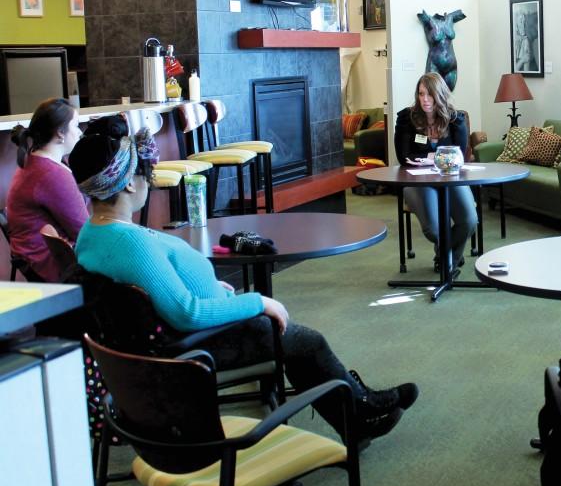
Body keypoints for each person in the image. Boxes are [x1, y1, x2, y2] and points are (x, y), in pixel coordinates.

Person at [68, 115, 417, 442]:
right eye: (145, 173)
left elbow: (158, 291)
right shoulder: (131, 243)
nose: (150, 180)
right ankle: (359, 413)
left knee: (295, 341)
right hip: (195, 344)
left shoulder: (92, 233)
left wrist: (213, 290)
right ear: (128, 183)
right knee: (304, 341)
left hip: (173, 337)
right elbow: (186, 312)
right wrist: (258, 301)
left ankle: (358, 407)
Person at [393, 72, 478, 271]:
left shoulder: (456, 120)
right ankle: (449, 260)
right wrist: (439, 157)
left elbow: (458, 158)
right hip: (417, 181)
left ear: (439, 95)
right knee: (433, 230)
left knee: (470, 221)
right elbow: (403, 157)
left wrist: (426, 158)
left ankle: (446, 259)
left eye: (430, 95)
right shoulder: (407, 118)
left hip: (450, 178)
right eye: (421, 94)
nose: (425, 100)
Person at [6, 98, 88, 282]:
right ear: (60, 133)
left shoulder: (34, 161)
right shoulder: (51, 175)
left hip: (33, 255)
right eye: (75, 126)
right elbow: (83, 231)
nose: (80, 133)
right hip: (51, 261)